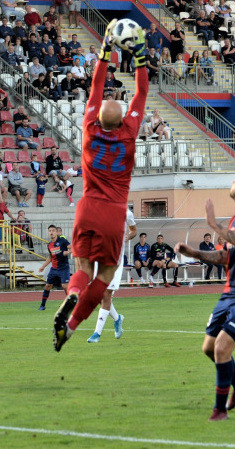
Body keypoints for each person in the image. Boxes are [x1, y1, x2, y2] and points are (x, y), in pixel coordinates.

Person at [51, 19, 148, 353]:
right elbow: (142, 92)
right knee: (104, 277)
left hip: (87, 207)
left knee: (81, 269)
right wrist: (139, 57)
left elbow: (95, 86)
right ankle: (74, 325)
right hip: (114, 213)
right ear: (123, 118)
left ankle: (73, 293)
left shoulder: (90, 127)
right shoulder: (130, 130)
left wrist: (105, 51)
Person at [174, 164, 235, 421]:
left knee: (222, 348)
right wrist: (195, 254)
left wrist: (214, 225)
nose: (233, 181)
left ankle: (219, 411)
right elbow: (226, 255)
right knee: (209, 347)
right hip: (230, 292)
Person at [87, 208, 137, 343]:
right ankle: (117, 318)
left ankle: (97, 333)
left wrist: (128, 236)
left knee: (106, 294)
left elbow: (133, 230)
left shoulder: (127, 213)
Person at [38, 225, 72, 309]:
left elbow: (71, 247)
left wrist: (69, 252)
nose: (51, 232)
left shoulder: (62, 241)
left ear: (56, 232)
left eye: (53, 230)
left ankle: (70, 304)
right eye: (50, 231)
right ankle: (42, 305)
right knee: (48, 286)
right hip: (54, 268)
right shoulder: (49, 245)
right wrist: (43, 266)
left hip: (64, 268)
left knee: (65, 286)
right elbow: (50, 257)